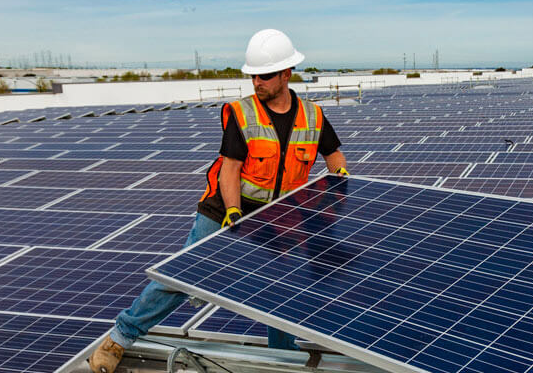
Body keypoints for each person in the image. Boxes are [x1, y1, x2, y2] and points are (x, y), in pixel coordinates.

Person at [88, 28, 349, 373]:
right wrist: (233, 212)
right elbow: (230, 170)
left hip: (278, 215)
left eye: (265, 75)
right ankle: (119, 338)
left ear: (287, 73)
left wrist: (337, 190)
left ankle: (283, 357)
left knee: (280, 286)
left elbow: (335, 157)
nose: (257, 81)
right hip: (225, 208)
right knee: (182, 277)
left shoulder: (313, 117)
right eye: (253, 75)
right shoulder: (243, 114)